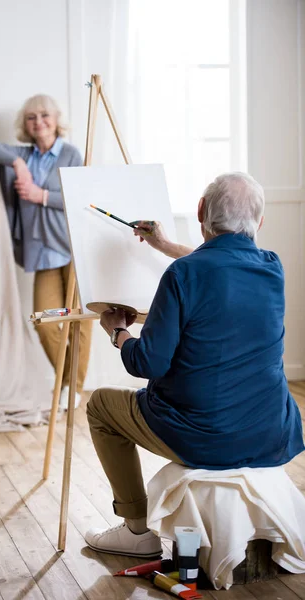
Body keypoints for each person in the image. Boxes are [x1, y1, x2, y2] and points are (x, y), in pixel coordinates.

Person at [84, 172, 305, 558]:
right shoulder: (271, 267)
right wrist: (165, 245)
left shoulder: (182, 276)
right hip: (272, 431)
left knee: (100, 405)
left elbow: (147, 362)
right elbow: (220, 262)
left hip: (206, 434)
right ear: (260, 222)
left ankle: (137, 530)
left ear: (201, 210)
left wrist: (118, 331)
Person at [0, 94, 92, 409]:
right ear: (24, 125)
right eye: (31, 117)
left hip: (73, 248)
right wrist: (16, 164)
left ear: (56, 119)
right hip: (43, 252)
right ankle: (68, 380)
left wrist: (40, 195)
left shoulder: (70, 154)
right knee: (47, 319)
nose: (38, 121)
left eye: (44, 114)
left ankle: (73, 389)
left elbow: (78, 198)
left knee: (78, 319)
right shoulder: (21, 154)